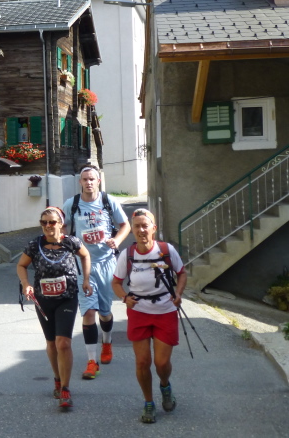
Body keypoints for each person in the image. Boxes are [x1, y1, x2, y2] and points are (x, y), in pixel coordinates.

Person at [112, 208, 187, 424]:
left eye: (145, 226)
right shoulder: (128, 254)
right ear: (132, 230)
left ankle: (165, 386)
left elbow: (181, 273)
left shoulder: (165, 250)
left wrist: (178, 294)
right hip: (139, 311)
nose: (141, 230)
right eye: (137, 226)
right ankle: (148, 402)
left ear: (153, 228)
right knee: (143, 362)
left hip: (165, 310)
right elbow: (116, 283)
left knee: (162, 363)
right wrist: (125, 298)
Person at [17, 207, 92, 408]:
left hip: (67, 298)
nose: (48, 226)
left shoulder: (71, 242)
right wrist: (26, 284)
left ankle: (66, 388)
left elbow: (85, 255)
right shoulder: (35, 245)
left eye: (52, 222)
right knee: (51, 343)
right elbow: (21, 265)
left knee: (63, 343)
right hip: (44, 300)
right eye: (44, 222)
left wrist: (86, 279)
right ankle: (57, 379)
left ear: (61, 224)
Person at [62, 165, 129, 379]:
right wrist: (67, 245)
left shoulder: (108, 201)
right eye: (85, 179)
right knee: (89, 312)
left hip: (106, 263)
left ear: (98, 181)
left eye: (92, 179)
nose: (89, 182)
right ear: (80, 182)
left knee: (105, 312)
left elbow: (125, 225)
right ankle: (92, 361)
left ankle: (107, 343)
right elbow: (63, 228)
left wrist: (117, 240)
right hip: (83, 265)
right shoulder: (72, 204)